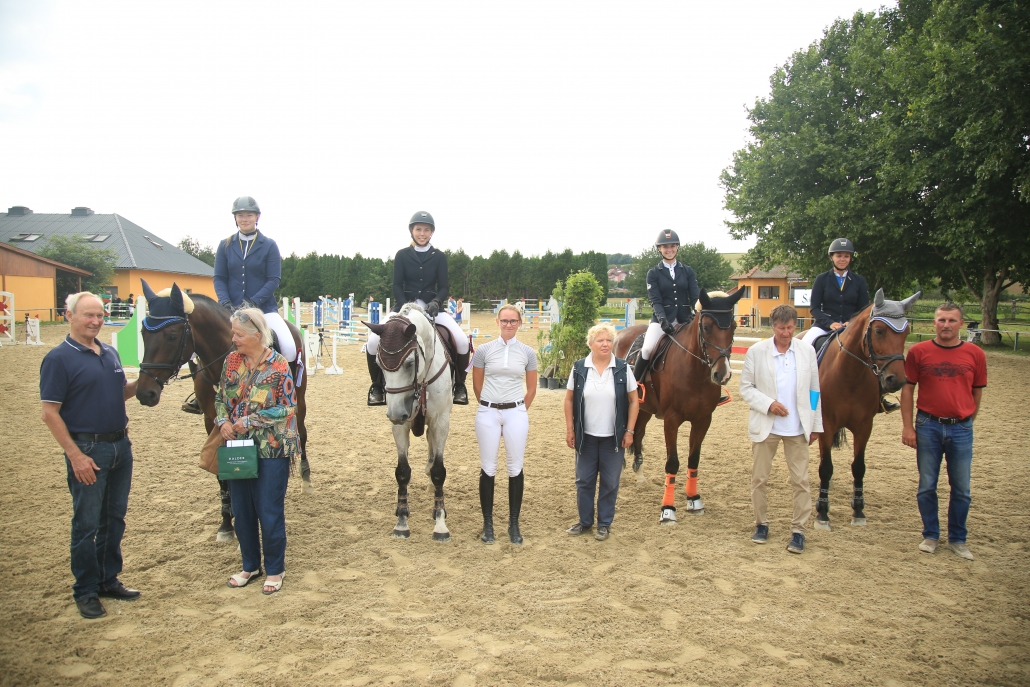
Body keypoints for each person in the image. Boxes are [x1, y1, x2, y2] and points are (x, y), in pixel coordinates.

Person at [40, 292, 141, 619]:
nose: (96, 321)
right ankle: (84, 589)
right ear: (69, 316)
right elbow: (50, 413)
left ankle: (107, 579)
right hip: (87, 450)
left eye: (100, 315)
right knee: (86, 524)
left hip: (119, 447)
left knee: (114, 519)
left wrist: (145, 382)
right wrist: (75, 455)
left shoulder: (109, 352)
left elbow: (120, 393)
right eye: (88, 315)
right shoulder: (59, 359)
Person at [216, 307, 299, 594]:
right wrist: (222, 421)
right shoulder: (231, 361)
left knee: (268, 509)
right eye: (233, 333)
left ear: (256, 334)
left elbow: (288, 407)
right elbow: (219, 397)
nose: (233, 338)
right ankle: (249, 565)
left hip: (271, 448)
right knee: (241, 509)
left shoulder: (279, 365)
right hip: (237, 446)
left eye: (238, 334)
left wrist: (249, 421)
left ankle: (275, 569)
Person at [191, 196, 296, 415]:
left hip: (264, 309)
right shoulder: (225, 245)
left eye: (249, 215)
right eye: (240, 215)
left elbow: (273, 279)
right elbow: (219, 277)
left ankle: (287, 388)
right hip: (230, 310)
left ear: (257, 217)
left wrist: (252, 304)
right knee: (197, 347)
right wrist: (226, 303)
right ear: (235, 218)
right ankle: (199, 394)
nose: (244, 218)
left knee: (288, 346)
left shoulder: (268, 245)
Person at [901, 303, 987, 561]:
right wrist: (908, 426)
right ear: (934, 323)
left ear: (961, 324)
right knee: (927, 485)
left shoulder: (975, 354)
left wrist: (968, 418)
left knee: (961, 488)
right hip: (928, 425)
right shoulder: (918, 352)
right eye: (941, 320)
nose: (946, 325)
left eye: (951, 320)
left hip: (961, 427)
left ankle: (958, 539)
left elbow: (977, 390)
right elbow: (907, 390)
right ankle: (931, 534)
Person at [739, 304, 822, 554]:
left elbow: (814, 390)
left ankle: (799, 530)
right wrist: (769, 404)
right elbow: (746, 388)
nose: (786, 332)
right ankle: (761, 524)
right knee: (759, 479)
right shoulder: (757, 351)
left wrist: (816, 424)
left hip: (797, 428)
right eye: (781, 327)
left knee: (801, 480)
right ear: (772, 326)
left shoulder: (807, 351)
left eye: (790, 327)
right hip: (767, 427)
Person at [365, 211, 470, 406]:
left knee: (463, 342)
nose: (422, 233)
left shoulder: (439, 256)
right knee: (372, 342)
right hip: (404, 306)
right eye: (418, 229)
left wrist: (436, 302)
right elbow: (397, 284)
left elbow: (444, 287)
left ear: (432, 232)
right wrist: (405, 305)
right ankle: (377, 387)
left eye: (426, 230)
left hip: (432, 307)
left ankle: (460, 386)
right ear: (412, 231)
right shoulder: (402, 255)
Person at [564, 323, 639, 541]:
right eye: (600, 340)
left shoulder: (623, 368)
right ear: (591, 344)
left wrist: (630, 430)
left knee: (610, 482)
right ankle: (585, 522)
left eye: (608, 340)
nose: (605, 344)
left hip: (613, 438)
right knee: (584, 481)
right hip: (585, 436)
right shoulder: (579, 368)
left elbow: (634, 401)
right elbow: (568, 399)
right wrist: (571, 429)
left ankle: (604, 524)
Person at [472, 304, 538, 545]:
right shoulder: (483, 350)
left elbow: (531, 388)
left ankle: (513, 523)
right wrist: (489, 405)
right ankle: (488, 523)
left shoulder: (528, 352)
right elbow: (477, 386)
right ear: (497, 322)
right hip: (488, 412)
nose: (508, 324)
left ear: (519, 323)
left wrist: (519, 409)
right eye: (504, 321)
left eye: (513, 321)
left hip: (515, 413)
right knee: (488, 467)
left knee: (515, 467)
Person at [633, 229, 699, 383]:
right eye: (665, 247)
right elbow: (655, 300)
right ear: (659, 249)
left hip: (685, 319)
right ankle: (635, 387)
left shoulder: (688, 271)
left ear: (677, 247)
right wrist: (662, 319)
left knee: (703, 347)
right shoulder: (653, 273)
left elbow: (695, 297)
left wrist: (695, 313)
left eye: (672, 246)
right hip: (662, 320)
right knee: (648, 349)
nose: (669, 250)